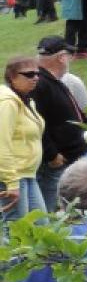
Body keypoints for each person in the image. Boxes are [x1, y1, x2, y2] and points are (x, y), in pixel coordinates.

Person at [31, 37, 87, 211]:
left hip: (66, 158)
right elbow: (36, 123)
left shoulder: (51, 81)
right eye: (69, 55)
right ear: (62, 57)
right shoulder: (40, 83)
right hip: (55, 163)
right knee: (46, 210)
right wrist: (52, 155)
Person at [0, 55, 45, 227]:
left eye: (37, 74)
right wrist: (11, 182)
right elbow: (2, 143)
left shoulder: (26, 101)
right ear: (12, 77)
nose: (35, 78)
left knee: (42, 225)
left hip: (27, 174)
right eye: (28, 74)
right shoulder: (7, 103)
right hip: (11, 176)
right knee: (17, 231)